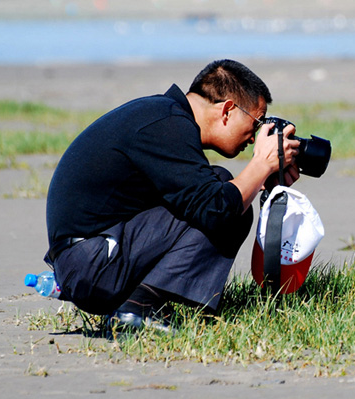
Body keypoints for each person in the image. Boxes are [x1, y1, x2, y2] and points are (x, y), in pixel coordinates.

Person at [44, 59, 300, 329]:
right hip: (91, 264)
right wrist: (260, 164)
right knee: (224, 196)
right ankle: (139, 307)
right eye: (257, 122)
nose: (254, 137)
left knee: (223, 190)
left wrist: (261, 180)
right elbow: (218, 208)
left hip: (87, 260)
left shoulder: (163, 116)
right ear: (227, 110)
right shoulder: (166, 124)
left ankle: (142, 304)